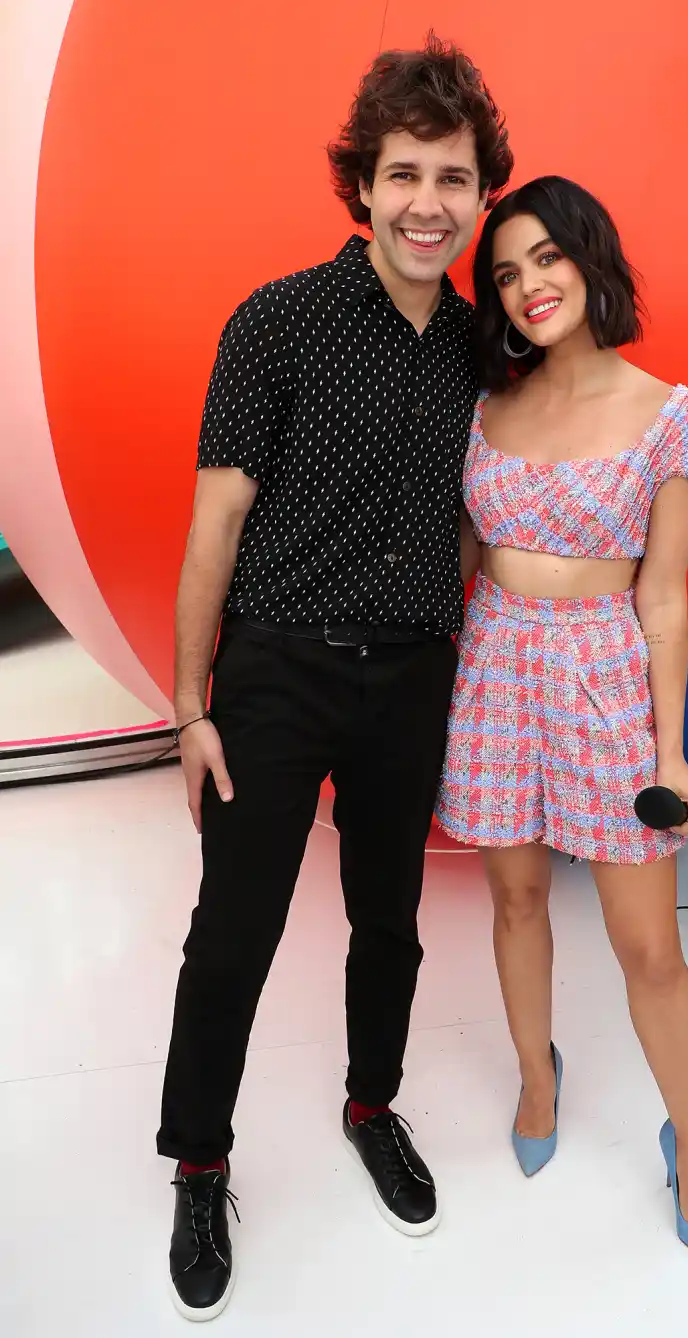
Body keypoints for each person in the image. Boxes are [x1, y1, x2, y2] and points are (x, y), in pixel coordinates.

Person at [159, 35, 513, 1320]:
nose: (429, 201)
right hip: (276, 674)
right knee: (233, 936)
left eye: (455, 179)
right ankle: (202, 1159)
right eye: (404, 173)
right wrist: (191, 707)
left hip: (414, 676)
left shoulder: (485, 350)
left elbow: (491, 511)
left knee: (391, 922)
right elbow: (213, 529)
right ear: (361, 185)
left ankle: (374, 1104)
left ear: (483, 197)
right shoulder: (276, 322)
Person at [436, 176, 688, 1270]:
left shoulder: (674, 414)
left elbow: (663, 593)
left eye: (544, 259)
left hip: (606, 670)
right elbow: (460, 560)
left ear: (589, 257)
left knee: (649, 946)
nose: (527, 287)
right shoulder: (482, 407)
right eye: (506, 275)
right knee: (513, 895)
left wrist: (671, 752)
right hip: (499, 663)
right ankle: (536, 1075)